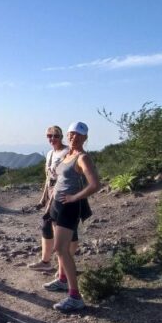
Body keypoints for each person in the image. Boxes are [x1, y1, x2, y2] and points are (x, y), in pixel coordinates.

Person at [43, 122, 101, 312]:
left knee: (61, 249)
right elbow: (59, 178)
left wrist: (75, 197)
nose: (73, 137)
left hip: (69, 207)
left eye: (77, 135)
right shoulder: (68, 154)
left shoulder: (82, 157)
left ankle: (75, 296)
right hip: (57, 205)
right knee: (60, 249)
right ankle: (62, 279)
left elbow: (94, 184)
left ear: (85, 138)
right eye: (71, 134)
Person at [29, 125, 74, 272]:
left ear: (61, 137)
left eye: (55, 135)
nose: (52, 138)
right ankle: (47, 262)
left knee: (62, 230)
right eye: (49, 136)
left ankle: (63, 269)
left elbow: (68, 175)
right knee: (47, 225)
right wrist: (44, 197)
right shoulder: (49, 154)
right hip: (51, 191)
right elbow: (48, 177)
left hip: (62, 193)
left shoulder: (67, 152)